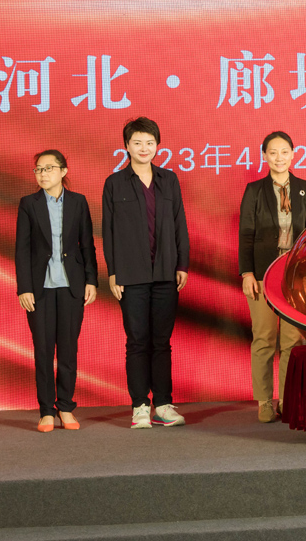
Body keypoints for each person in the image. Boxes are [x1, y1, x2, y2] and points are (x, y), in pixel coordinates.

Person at [102, 117, 190, 429]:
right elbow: (109, 231)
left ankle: (163, 404)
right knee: (137, 341)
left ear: (157, 146)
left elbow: (179, 224)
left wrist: (182, 265)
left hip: (166, 272)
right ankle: (140, 405)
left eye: (150, 143)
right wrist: (113, 272)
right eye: (137, 142)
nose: (144, 148)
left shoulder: (169, 180)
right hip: (131, 275)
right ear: (126, 146)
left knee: (162, 342)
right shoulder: (115, 183)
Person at [239, 131, 306, 422]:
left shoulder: (305, 188)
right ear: (264, 156)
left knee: (292, 341)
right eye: (272, 152)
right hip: (262, 274)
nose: (279, 157)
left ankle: (287, 398)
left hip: (294, 276)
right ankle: (264, 401)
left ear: (293, 154)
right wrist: (247, 273)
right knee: (263, 338)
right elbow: (246, 234)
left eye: (284, 151)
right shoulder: (254, 190)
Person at [15, 149, 98, 432]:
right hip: (40, 288)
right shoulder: (29, 204)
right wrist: (24, 288)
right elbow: (22, 249)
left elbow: (87, 244)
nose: (42, 174)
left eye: (49, 168)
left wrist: (91, 280)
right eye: (38, 169)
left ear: (63, 171)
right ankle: (46, 411)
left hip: (72, 285)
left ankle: (65, 407)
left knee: (68, 350)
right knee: (43, 350)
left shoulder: (78, 202)